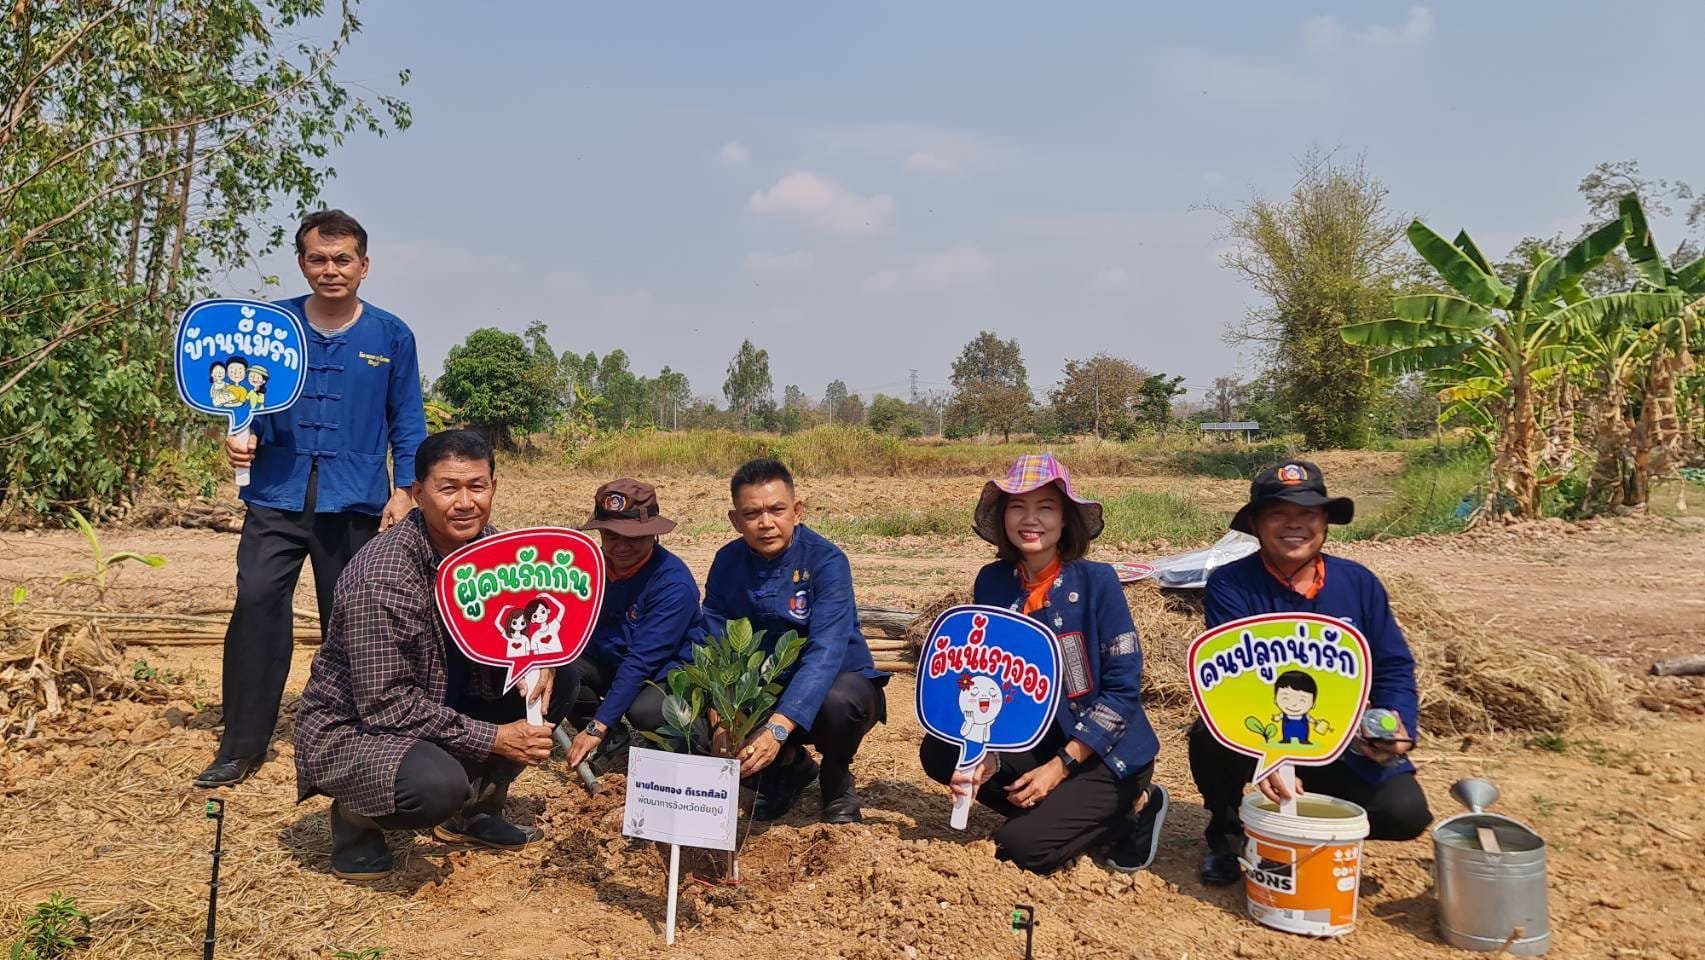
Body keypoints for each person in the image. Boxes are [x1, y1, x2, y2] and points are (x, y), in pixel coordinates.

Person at [196, 209, 427, 788]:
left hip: (356, 502)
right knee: (255, 604)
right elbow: (238, 399)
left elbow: (408, 418)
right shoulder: (269, 328)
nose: (331, 270)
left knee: (351, 619)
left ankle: (352, 736)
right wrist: (237, 434)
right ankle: (242, 743)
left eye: (342, 259)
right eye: (318, 259)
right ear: (301, 263)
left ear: (364, 265)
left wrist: (406, 490)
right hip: (277, 494)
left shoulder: (391, 335)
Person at [294, 430, 577, 881]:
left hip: (443, 697)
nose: (465, 502)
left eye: (477, 486)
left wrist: (543, 660)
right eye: (448, 488)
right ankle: (355, 819)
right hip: (358, 727)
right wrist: (496, 738)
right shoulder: (384, 574)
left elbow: (531, 622)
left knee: (563, 678)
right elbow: (385, 705)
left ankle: (473, 814)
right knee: (435, 787)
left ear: (494, 488)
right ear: (419, 493)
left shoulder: (495, 552)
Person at [919, 454, 1169, 875]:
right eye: (1018, 507)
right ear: (1004, 518)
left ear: (1066, 519)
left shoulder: (1097, 582)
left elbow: (1123, 690)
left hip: (1102, 749)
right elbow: (993, 680)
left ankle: (1133, 809)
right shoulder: (993, 582)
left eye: (1046, 508)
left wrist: (1059, 768)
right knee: (943, 751)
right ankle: (1063, 813)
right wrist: (990, 758)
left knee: (1021, 847)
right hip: (1035, 738)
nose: (1030, 520)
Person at [1189, 459, 1433, 886]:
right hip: (1266, 733)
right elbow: (1235, 685)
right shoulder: (1231, 584)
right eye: (1279, 513)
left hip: (1347, 736)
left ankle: (1322, 833)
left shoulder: (1358, 583)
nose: (1294, 525)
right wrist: (1269, 758)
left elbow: (1393, 664)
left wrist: (1397, 724)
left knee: (1405, 814)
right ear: (1257, 523)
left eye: (1307, 514)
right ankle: (1227, 836)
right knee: (1209, 736)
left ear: (1325, 521)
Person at [701, 458, 887, 824]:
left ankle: (836, 777)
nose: (765, 523)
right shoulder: (726, 563)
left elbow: (826, 651)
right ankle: (790, 768)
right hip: (762, 685)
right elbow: (715, 641)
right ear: (735, 520)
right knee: (696, 718)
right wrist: (722, 718)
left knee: (840, 704)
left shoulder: (826, 560)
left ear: (797, 511)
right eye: (752, 513)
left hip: (833, 681)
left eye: (776, 510)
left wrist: (777, 729)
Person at [564, 480, 705, 772]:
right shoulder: (589, 569)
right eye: (611, 536)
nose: (621, 546)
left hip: (664, 672)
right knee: (562, 672)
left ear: (653, 533)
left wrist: (596, 725)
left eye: (634, 537)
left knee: (648, 711)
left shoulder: (672, 583)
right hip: (611, 660)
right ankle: (614, 743)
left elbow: (641, 661)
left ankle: (691, 752)